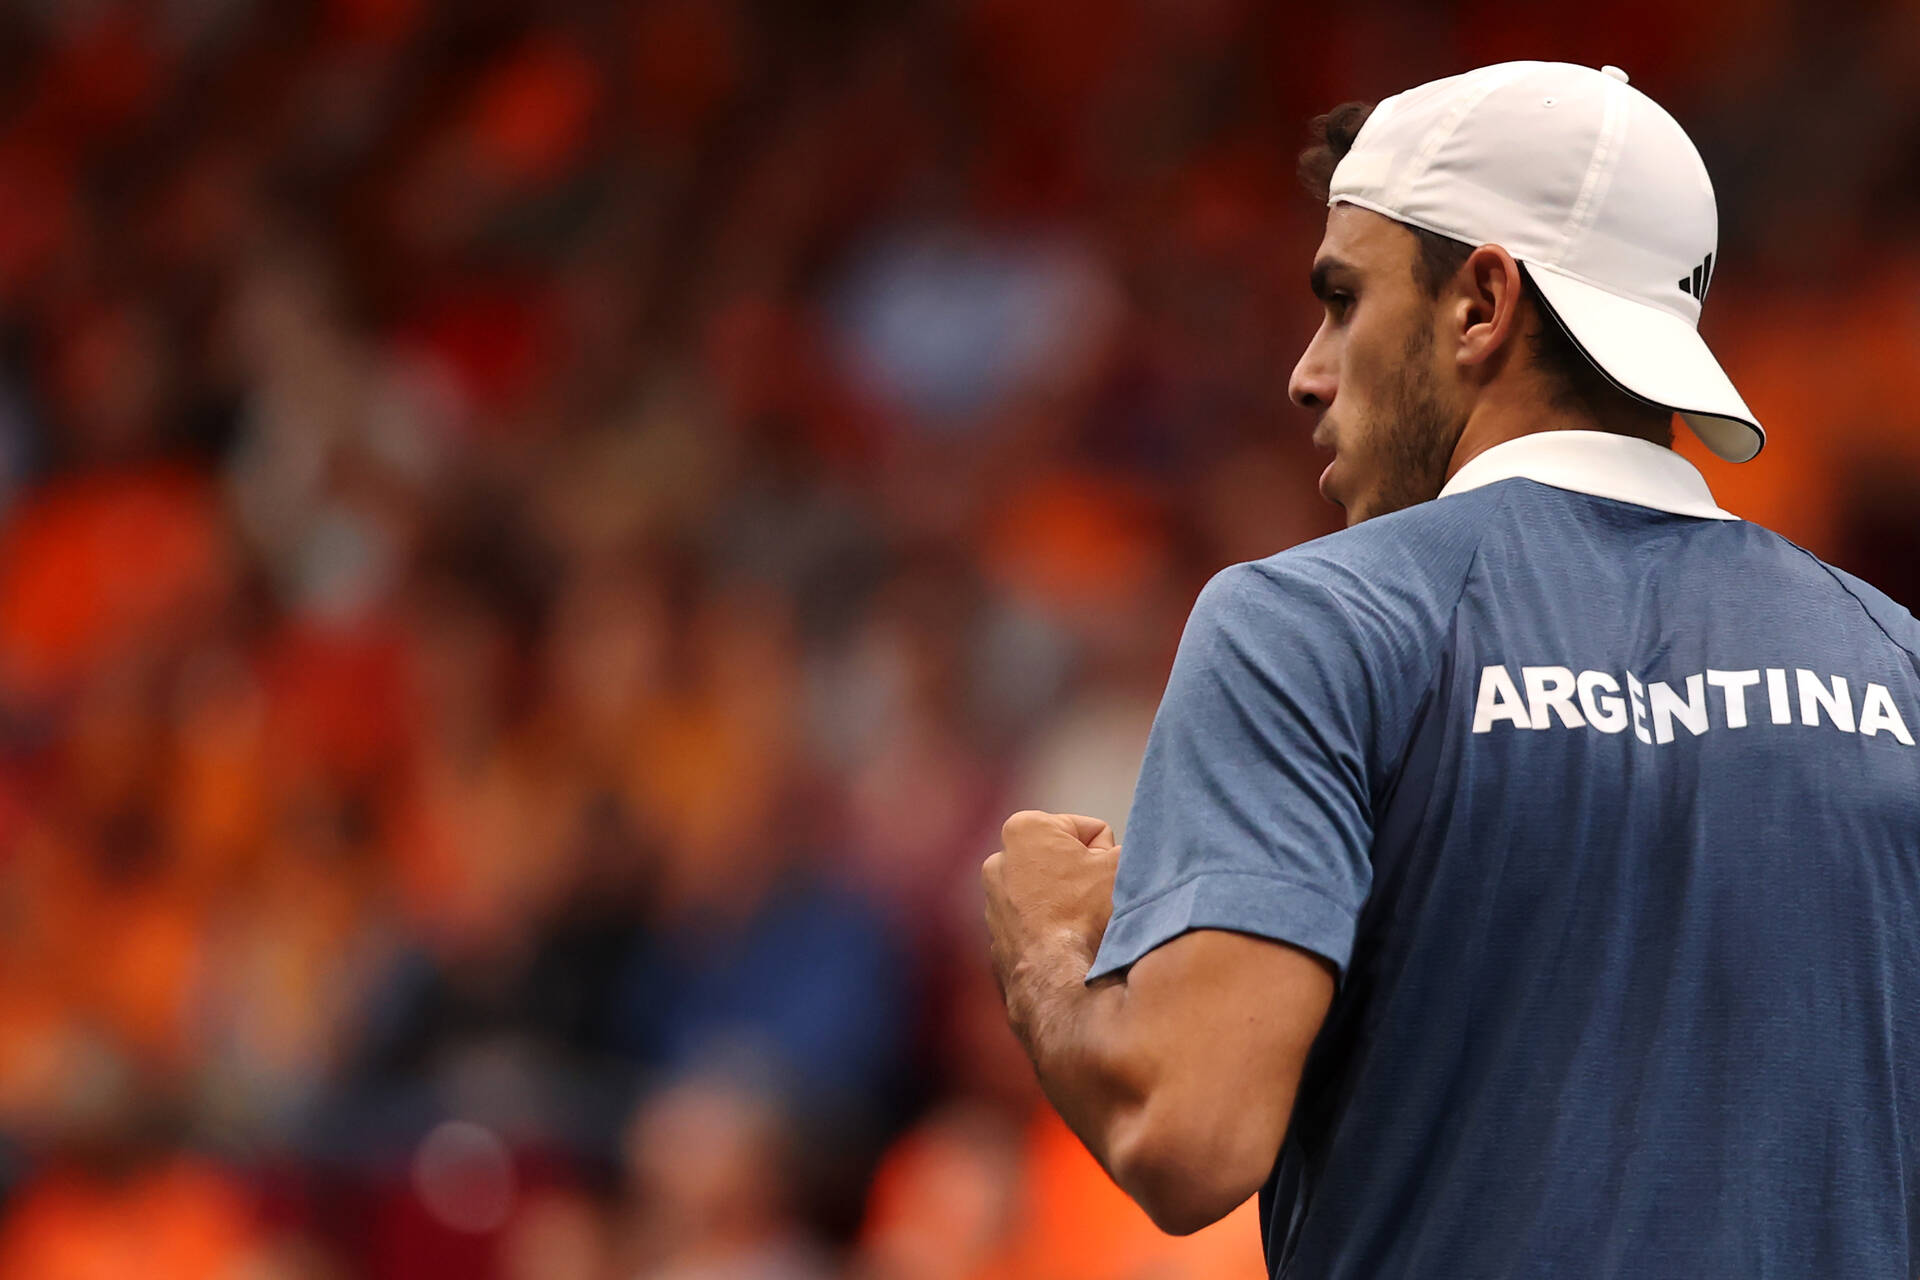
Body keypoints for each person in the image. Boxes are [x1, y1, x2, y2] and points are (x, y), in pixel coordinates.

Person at [982, 61, 1919, 1278]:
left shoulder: (1313, 625)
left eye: (1342, 299)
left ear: (1481, 302)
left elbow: (1190, 1130)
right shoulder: (1894, 661)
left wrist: (1047, 950)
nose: (1308, 371)